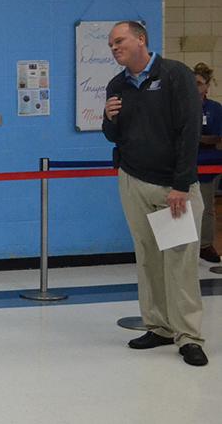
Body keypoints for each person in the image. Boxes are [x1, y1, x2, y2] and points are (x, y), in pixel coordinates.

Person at [102, 21, 207, 366]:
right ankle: (159, 325)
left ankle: (188, 335)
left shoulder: (175, 75)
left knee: (179, 259)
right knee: (147, 256)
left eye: (119, 41)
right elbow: (113, 135)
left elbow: (189, 131)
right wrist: (108, 119)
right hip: (133, 181)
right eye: (111, 44)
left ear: (140, 39)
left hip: (171, 188)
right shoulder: (117, 84)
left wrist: (181, 184)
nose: (114, 48)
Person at [194, 63, 222, 263]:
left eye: (198, 83)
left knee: (206, 206)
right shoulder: (180, 106)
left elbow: (218, 138)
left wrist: (197, 139)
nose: (195, 87)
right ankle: (187, 246)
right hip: (185, 164)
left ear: (206, 86)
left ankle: (205, 244)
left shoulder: (215, 109)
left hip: (209, 164)